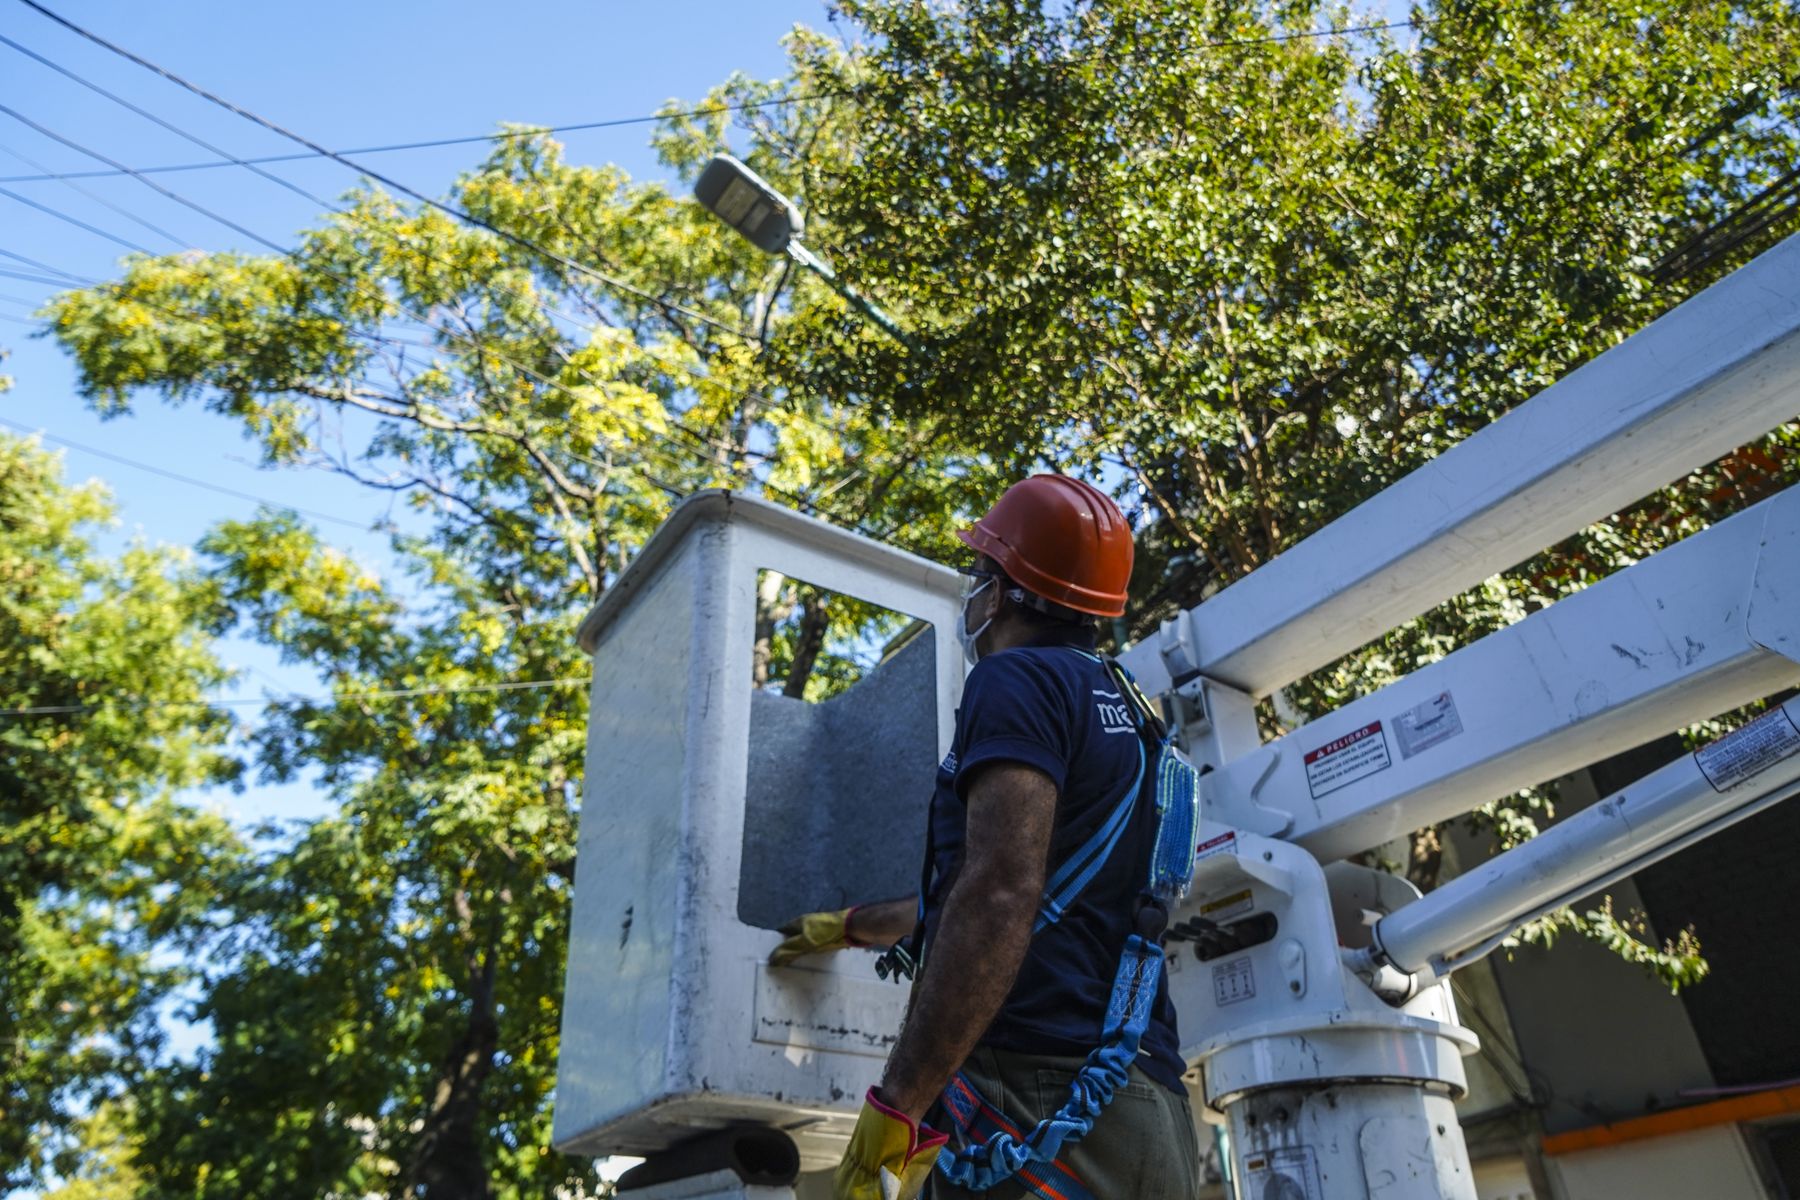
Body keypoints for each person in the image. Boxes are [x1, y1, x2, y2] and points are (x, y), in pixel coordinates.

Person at [769, 475, 1201, 1200]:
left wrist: (898, 1109)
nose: (971, 594)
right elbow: (1029, 893)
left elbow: (1000, 893)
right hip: (1146, 1109)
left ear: (999, 594)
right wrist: (849, 927)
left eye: (978, 575)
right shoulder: (1133, 714)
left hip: (1036, 1106)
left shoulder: (1016, 680)